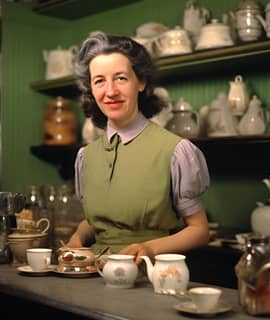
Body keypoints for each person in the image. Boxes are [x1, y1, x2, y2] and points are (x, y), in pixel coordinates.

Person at [66, 31, 210, 264]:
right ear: (91, 89)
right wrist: (76, 240)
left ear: (141, 82)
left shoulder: (176, 150)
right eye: (99, 81)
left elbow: (200, 230)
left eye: (121, 78)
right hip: (92, 277)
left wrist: (149, 248)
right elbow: (96, 223)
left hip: (152, 278)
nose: (110, 91)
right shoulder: (86, 156)